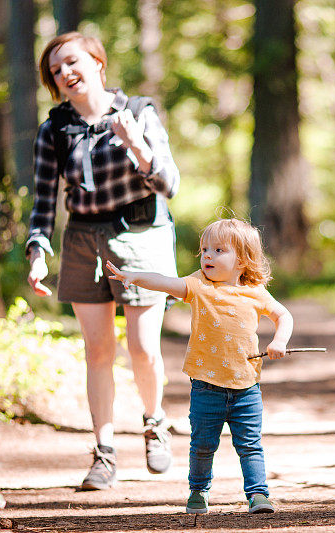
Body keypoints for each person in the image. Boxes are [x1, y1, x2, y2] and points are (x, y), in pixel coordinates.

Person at [25, 32, 180, 491]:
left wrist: (137, 145)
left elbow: (169, 184)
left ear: (97, 63)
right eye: (55, 70)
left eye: (72, 62)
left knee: (142, 347)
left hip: (141, 233)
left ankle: (154, 423)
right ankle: (104, 454)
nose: (65, 73)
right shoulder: (54, 129)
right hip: (82, 241)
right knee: (97, 351)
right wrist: (37, 251)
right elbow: (43, 202)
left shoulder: (139, 112)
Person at [106, 218, 294, 514]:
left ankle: (258, 494)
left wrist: (279, 341)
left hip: (246, 388)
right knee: (203, 445)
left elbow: (283, 316)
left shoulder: (255, 291)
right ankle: (198, 491)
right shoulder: (197, 287)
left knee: (250, 446)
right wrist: (134, 276)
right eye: (205, 249)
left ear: (242, 260)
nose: (208, 255)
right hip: (206, 387)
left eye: (219, 250)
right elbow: (164, 281)